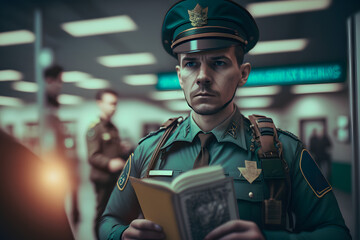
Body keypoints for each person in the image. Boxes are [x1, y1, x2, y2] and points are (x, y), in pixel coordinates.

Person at [99, 0, 351, 239]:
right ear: (179, 76)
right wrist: (122, 235)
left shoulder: (283, 151)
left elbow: (337, 233)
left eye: (218, 62)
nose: (202, 76)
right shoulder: (149, 150)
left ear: (243, 74)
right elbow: (108, 221)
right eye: (190, 64)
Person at [86, 89, 132, 237]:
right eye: (111, 103)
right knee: (102, 213)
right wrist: (110, 163)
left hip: (115, 178)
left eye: (116, 104)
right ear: (100, 104)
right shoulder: (95, 129)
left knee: (114, 212)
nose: (114, 107)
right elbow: (93, 156)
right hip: (103, 179)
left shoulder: (113, 128)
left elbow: (111, 149)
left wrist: (121, 148)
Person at [43, 64, 80, 225]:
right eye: (59, 81)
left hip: (59, 162)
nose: (60, 85)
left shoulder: (53, 104)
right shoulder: (43, 105)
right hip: (49, 164)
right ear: (49, 81)